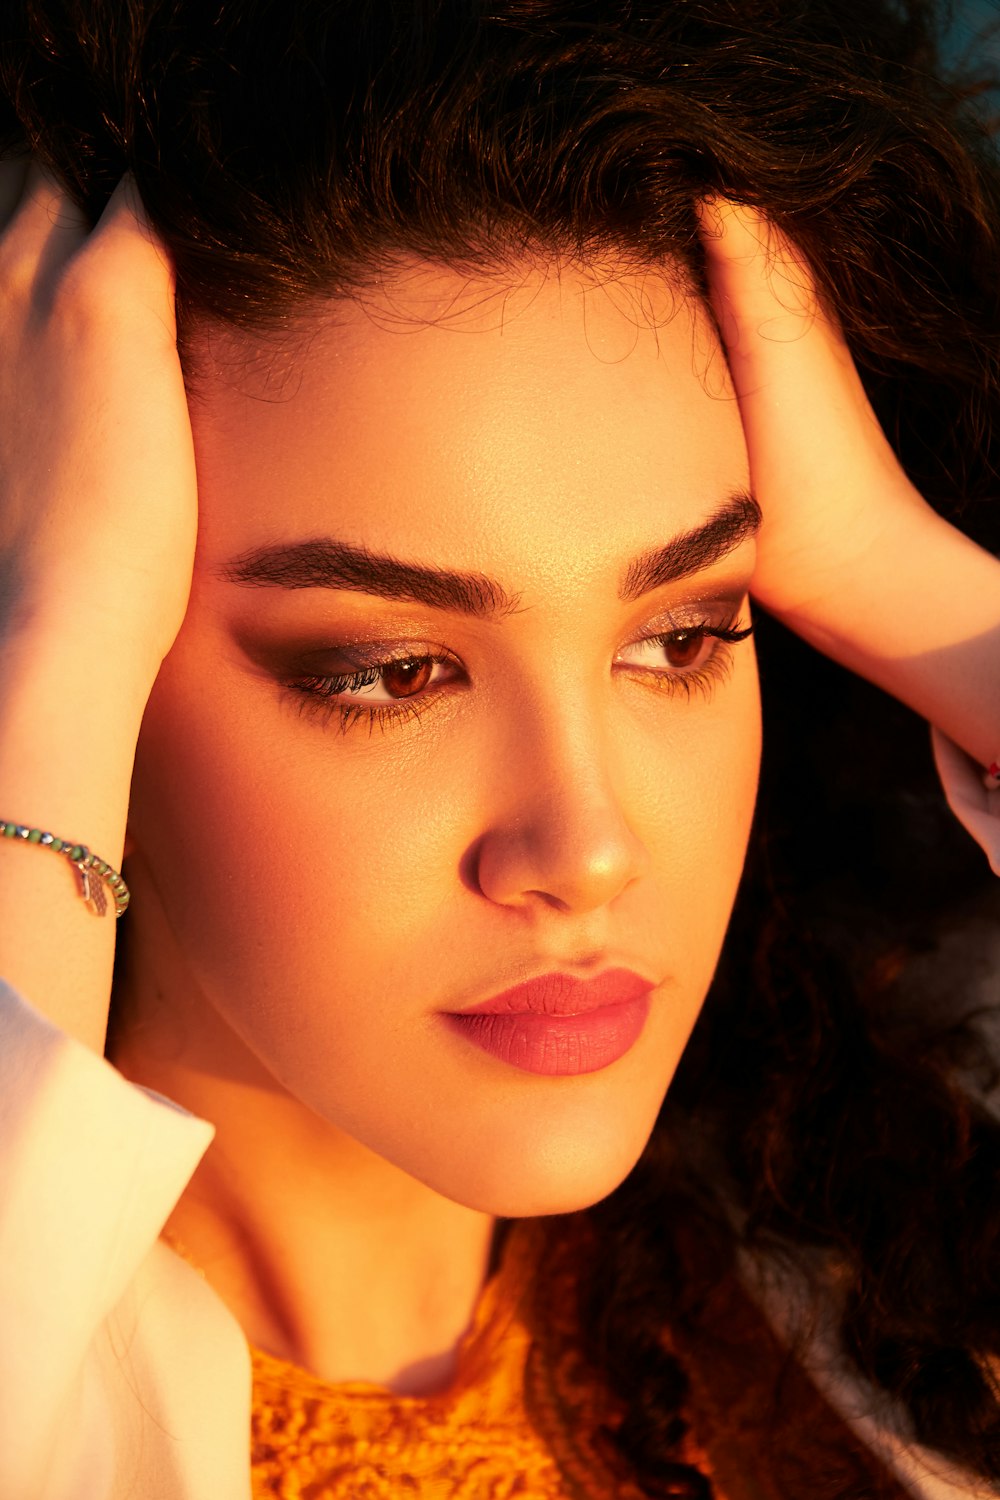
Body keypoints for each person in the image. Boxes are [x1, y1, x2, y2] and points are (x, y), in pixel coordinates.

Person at [1, 1, 1000, 1496]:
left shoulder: (904, 1283)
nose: (591, 845)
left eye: (683, 633)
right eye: (394, 670)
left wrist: (898, 572)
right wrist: (47, 636)